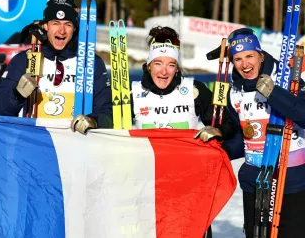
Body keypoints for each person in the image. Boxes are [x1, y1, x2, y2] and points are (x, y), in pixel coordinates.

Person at [131, 26, 235, 238]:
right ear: (148, 65)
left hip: (189, 186)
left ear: (177, 68)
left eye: (170, 65)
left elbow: (226, 123)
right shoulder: (132, 92)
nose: (163, 71)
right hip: (148, 185)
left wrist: (217, 130)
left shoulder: (194, 90)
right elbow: (109, 126)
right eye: (158, 64)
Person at [200, 28, 305, 238]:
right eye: (238, 59)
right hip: (256, 182)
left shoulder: (287, 79)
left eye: (249, 56)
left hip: (290, 181)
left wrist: (273, 93)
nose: (245, 64)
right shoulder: (233, 92)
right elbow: (243, 138)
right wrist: (220, 146)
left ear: (261, 55)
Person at [0, 0, 113, 133]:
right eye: (56, 23)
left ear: (75, 28)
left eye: (68, 24)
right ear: (46, 26)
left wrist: (94, 120)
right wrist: (16, 96)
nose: (62, 31)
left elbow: (108, 112)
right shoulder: (24, 60)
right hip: (32, 145)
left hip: (74, 147)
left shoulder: (90, 62)